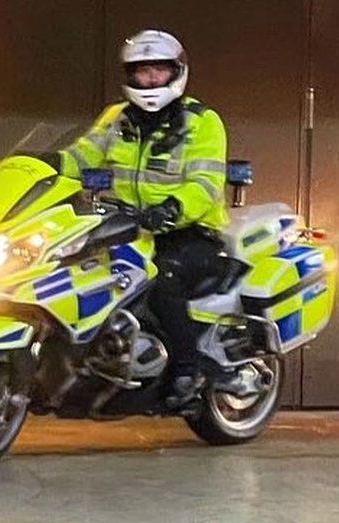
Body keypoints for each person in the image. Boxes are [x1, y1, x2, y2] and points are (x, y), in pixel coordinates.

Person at [59, 29, 234, 406]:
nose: (151, 79)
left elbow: (206, 183)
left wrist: (173, 207)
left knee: (162, 277)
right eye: (142, 71)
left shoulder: (202, 122)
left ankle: (189, 370)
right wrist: (42, 167)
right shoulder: (116, 119)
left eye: (159, 70)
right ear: (130, 76)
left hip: (189, 231)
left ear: (177, 73)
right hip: (125, 227)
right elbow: (79, 157)